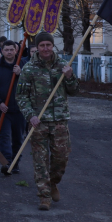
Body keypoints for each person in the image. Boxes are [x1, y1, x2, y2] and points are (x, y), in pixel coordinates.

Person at [16, 32, 79, 211]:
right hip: (39, 122)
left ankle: (53, 183)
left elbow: (74, 91)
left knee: (61, 157)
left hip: (59, 120)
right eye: (42, 45)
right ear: (37, 47)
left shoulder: (63, 66)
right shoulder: (29, 69)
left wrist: (70, 77)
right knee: (40, 160)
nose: (45, 48)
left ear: (53, 46)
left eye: (48, 45)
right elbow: (21, 96)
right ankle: (44, 196)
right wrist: (30, 115)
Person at [0, 40, 25, 173]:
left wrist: (21, 74)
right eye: (6, 50)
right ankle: (6, 162)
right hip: (3, 109)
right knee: (4, 137)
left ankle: (16, 163)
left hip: (19, 109)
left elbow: (31, 85)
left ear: (16, 51)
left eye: (11, 50)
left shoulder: (22, 65)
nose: (9, 52)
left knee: (18, 138)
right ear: (2, 51)